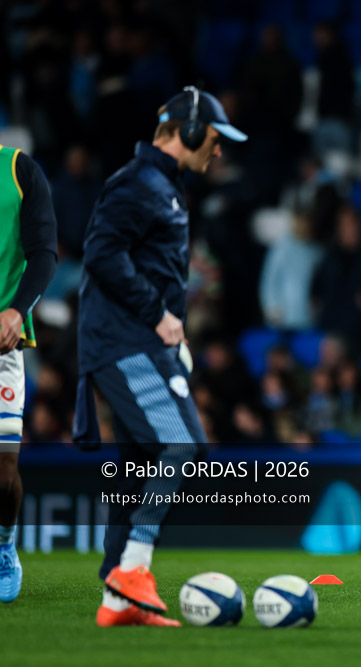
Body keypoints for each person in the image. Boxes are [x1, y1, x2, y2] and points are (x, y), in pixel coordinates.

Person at [74, 86, 247, 626]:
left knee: (138, 465)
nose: (217, 151)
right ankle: (133, 568)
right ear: (188, 131)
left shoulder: (159, 185)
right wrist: (158, 316)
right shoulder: (139, 184)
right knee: (181, 444)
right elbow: (101, 254)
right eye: (214, 140)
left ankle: (118, 600)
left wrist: (171, 327)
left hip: (138, 340)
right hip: (128, 343)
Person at [0, 147, 58, 603]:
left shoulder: (19, 169)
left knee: (3, 470)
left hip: (2, 340)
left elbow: (44, 253)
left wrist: (17, 310)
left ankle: (4, 545)